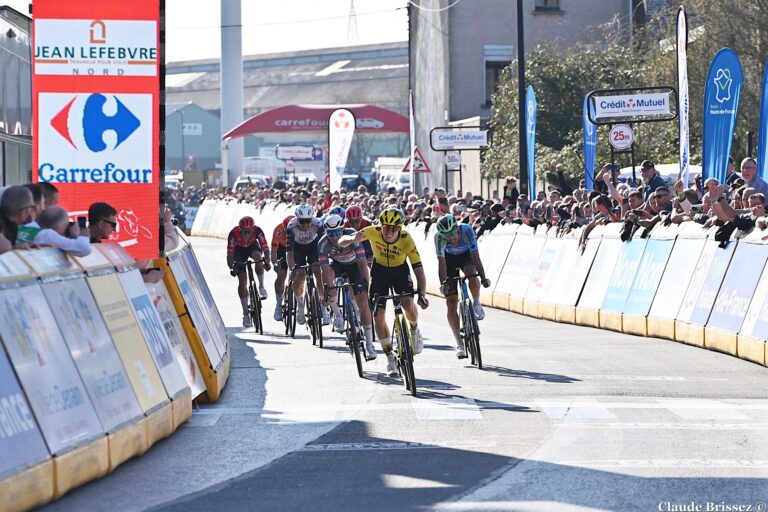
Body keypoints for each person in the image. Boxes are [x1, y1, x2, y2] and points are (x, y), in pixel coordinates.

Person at [340, 207, 429, 377]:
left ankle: (414, 329)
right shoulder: (372, 231)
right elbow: (344, 240)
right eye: (386, 227)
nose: (389, 231)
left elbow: (418, 269)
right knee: (378, 315)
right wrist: (349, 239)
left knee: (408, 304)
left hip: (400, 272)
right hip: (379, 272)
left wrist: (422, 294)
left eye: (394, 228)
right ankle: (390, 357)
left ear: (399, 228)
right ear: (381, 226)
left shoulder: (406, 239)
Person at [317, 214, 377, 360]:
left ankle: (369, 344)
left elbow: (362, 262)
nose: (335, 237)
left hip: (354, 265)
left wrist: (366, 283)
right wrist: (327, 291)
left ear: (343, 229)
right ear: (326, 233)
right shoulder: (323, 243)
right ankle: (337, 315)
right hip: (337, 265)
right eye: (331, 234)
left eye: (338, 232)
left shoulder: (352, 235)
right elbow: (324, 270)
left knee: (363, 303)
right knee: (330, 283)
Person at [433, 214, 491, 357]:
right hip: (449, 261)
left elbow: (475, 256)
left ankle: (476, 303)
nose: (451, 239)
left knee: (471, 273)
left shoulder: (467, 230)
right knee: (451, 302)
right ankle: (459, 343)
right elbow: (441, 263)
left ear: (457, 228)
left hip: (466, 256)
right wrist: (443, 284)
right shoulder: (438, 237)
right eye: (447, 236)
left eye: (453, 234)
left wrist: (483, 276)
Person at [286, 204, 329, 326]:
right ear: (297, 219)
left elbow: (325, 245)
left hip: (313, 246)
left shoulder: (318, 225)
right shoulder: (291, 227)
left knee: (318, 273)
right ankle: (300, 307)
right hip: (298, 248)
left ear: (312, 219)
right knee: (298, 276)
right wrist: (292, 268)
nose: (305, 224)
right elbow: (289, 253)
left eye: (308, 221)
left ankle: (324, 309)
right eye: (302, 221)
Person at [227, 216, 270, 328]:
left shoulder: (258, 231)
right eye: (244, 231)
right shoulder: (233, 233)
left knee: (258, 258)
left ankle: (261, 286)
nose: (247, 234)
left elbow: (265, 248)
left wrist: (267, 261)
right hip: (238, 251)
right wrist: (232, 267)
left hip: (252, 247)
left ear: (253, 229)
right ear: (240, 229)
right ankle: (245, 314)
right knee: (242, 280)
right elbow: (230, 254)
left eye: (249, 231)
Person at [270, 215, 294, 321]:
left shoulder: (300, 227)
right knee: (281, 275)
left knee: (297, 273)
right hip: (282, 250)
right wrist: (275, 263)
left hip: (295, 249)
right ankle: (278, 304)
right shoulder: (278, 230)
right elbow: (273, 251)